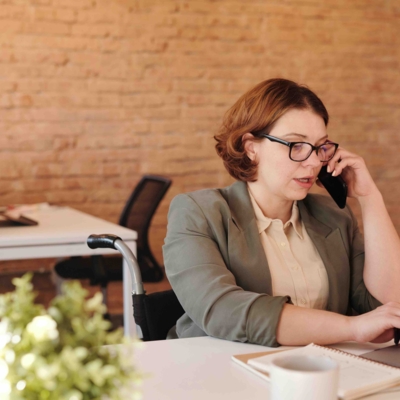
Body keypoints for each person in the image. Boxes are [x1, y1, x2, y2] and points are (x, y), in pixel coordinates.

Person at [163, 78, 400, 347]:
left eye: (319, 146)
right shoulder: (198, 213)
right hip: (220, 372)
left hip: (318, 374)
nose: (313, 162)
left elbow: (390, 303)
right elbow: (221, 309)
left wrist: (370, 198)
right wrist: (352, 327)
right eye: (295, 145)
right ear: (252, 148)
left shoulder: (335, 216)